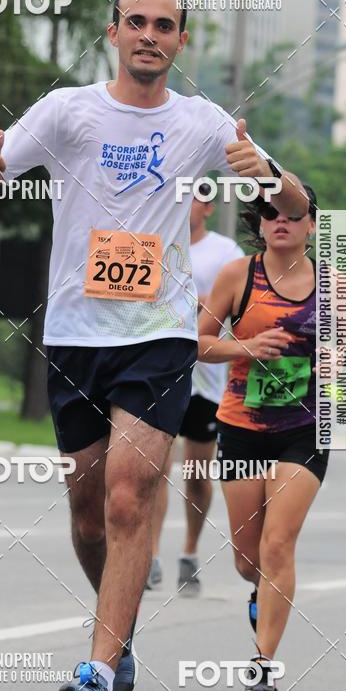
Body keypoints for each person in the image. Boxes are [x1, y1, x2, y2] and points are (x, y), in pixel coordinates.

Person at [0, 0, 307, 691]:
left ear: (183, 41)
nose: (150, 34)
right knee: (86, 512)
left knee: (126, 495)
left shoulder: (204, 122)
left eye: (166, 25)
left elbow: (296, 204)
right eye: (136, 21)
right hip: (78, 337)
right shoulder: (67, 110)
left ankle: (95, 674)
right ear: (113, 32)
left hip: (160, 336)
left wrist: (267, 176)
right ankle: (122, 635)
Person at [198, 183, 346, 691]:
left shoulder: (331, 282)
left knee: (278, 542)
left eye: (291, 212)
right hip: (243, 426)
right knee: (249, 560)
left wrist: (339, 355)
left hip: (306, 428)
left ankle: (263, 664)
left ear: (311, 224)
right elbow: (198, 343)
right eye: (269, 213)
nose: (279, 220)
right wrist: (245, 345)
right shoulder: (237, 275)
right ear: (259, 224)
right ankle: (259, 593)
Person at [147, 186, 244, 594]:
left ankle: (189, 551)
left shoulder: (226, 253)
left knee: (197, 474)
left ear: (207, 206)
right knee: (153, 470)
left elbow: (239, 307)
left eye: (195, 197)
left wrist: (207, 304)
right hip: (157, 370)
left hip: (205, 378)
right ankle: (149, 555)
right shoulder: (152, 237)